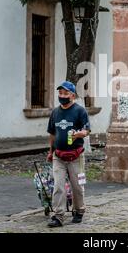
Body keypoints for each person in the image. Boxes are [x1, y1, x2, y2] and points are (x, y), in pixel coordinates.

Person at [46, 81, 90, 228]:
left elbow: (87, 130)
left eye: (65, 93)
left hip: (76, 156)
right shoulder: (55, 112)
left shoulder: (80, 111)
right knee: (58, 186)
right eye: (60, 93)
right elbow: (52, 133)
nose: (62, 96)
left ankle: (79, 210)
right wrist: (50, 151)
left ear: (72, 95)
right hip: (58, 156)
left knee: (77, 186)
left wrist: (78, 134)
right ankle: (58, 216)